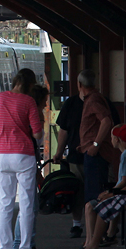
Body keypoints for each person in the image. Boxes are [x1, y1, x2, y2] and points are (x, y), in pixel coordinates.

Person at [71, 124, 126, 249]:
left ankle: (93, 246)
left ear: (123, 141)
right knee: (104, 205)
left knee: (104, 207)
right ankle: (92, 244)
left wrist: (113, 194)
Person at [0, 68, 44, 249]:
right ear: (29, 85)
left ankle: (4, 248)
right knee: (27, 203)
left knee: (5, 202)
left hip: (3, 155)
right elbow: (37, 134)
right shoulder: (28, 101)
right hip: (24, 156)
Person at [11, 82, 50, 249]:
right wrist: (36, 171)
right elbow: (35, 142)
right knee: (30, 207)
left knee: (24, 205)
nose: (46, 105)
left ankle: (16, 245)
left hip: (13, 159)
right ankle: (26, 245)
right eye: (44, 101)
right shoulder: (34, 116)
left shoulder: (21, 113)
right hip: (26, 161)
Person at [82, 125, 126, 249]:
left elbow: (125, 181)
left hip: (125, 192)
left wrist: (111, 192)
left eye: (111, 138)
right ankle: (98, 239)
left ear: (117, 140)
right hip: (124, 191)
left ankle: (90, 242)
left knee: (91, 206)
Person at [75, 69, 113, 208]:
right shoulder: (93, 98)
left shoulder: (93, 100)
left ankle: (97, 229)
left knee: (94, 196)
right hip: (95, 152)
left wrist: (96, 144)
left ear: (79, 84)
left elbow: (106, 121)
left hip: (96, 153)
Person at [52, 86, 85, 238]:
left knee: (77, 190)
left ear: (79, 84)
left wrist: (59, 152)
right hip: (97, 155)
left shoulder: (71, 103)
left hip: (75, 155)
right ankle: (101, 227)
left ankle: (77, 224)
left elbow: (63, 130)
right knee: (97, 190)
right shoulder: (104, 102)